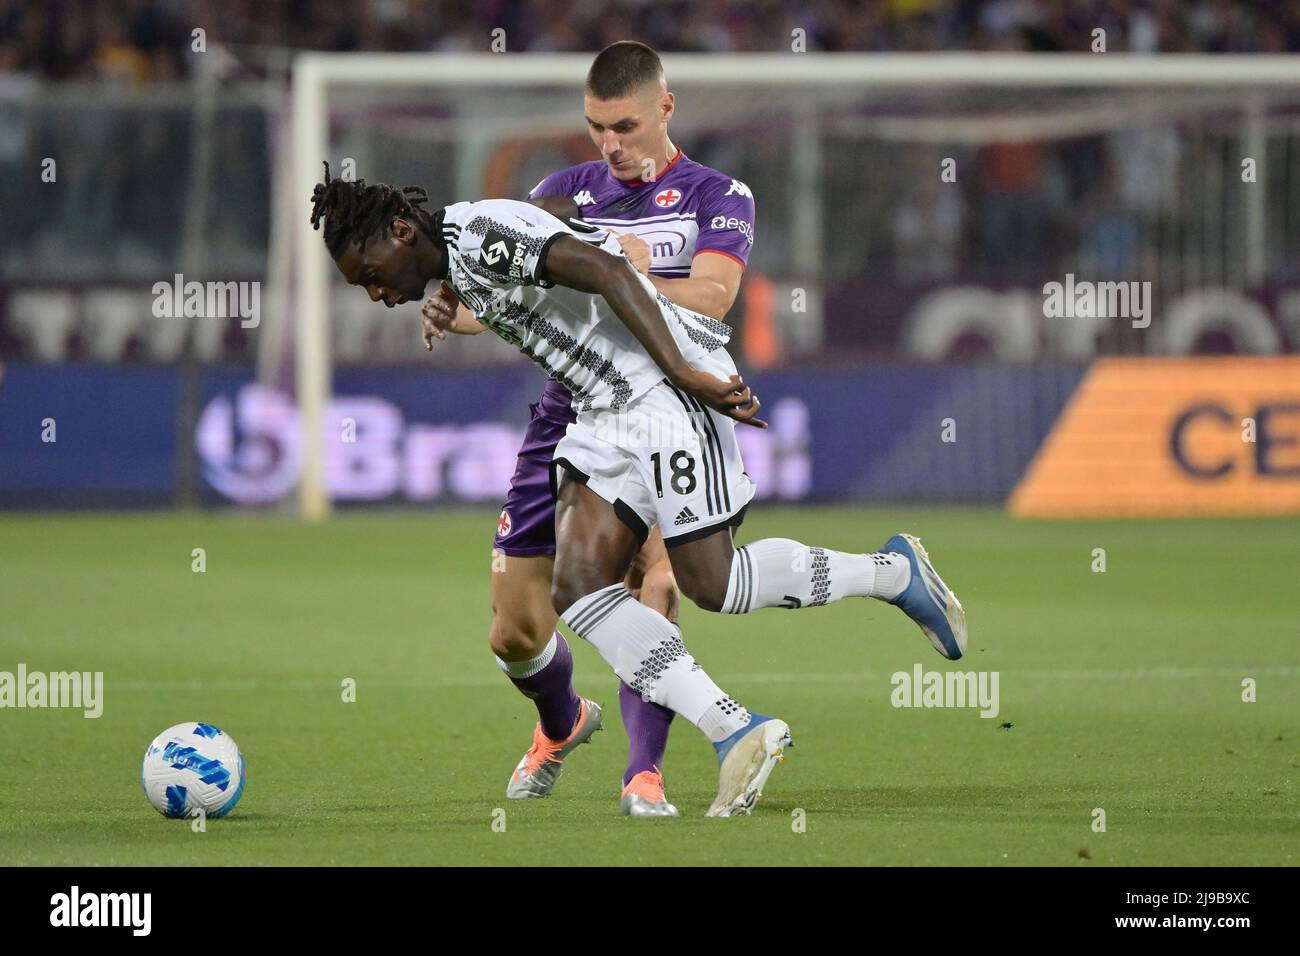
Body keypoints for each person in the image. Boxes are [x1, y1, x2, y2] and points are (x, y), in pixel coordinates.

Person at [310, 168, 967, 817]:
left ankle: (890, 573)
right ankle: (733, 729)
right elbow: (559, 214)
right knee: (576, 582)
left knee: (715, 585)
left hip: (666, 387)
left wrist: (684, 370)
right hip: (605, 413)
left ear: (399, 231)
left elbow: (608, 273)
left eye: (370, 273)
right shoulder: (463, 246)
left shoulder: (480, 236)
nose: (374, 293)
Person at [420, 41, 759, 817]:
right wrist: (453, 307)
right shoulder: (562, 193)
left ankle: (646, 773)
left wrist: (629, 268)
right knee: (514, 628)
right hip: (567, 412)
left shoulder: (717, 194)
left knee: (657, 581)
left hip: (665, 406)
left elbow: (713, 294)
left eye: (626, 126)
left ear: (665, 110)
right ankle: (562, 721)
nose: (610, 144)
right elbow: (494, 298)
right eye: (597, 127)